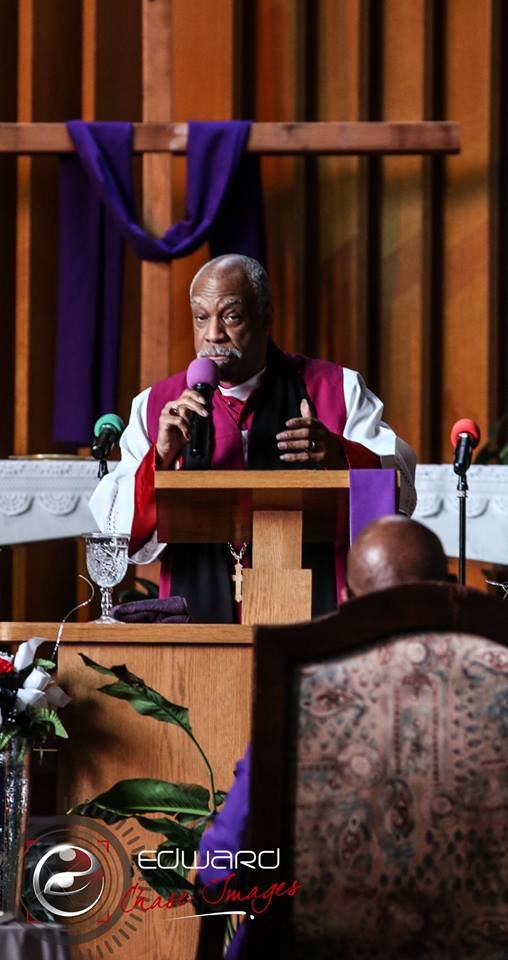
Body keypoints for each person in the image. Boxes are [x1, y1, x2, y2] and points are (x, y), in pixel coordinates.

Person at [90, 254, 416, 621]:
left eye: (231, 317)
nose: (213, 334)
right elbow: (118, 533)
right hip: (197, 609)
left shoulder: (336, 390)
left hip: (312, 605)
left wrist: (339, 454)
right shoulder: (156, 406)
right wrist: (161, 457)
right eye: (201, 317)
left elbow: (398, 490)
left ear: (265, 317)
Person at [197, 516, 450, 956]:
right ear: (447, 592)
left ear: (346, 601)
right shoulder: (495, 700)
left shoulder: (301, 702)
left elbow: (221, 865)